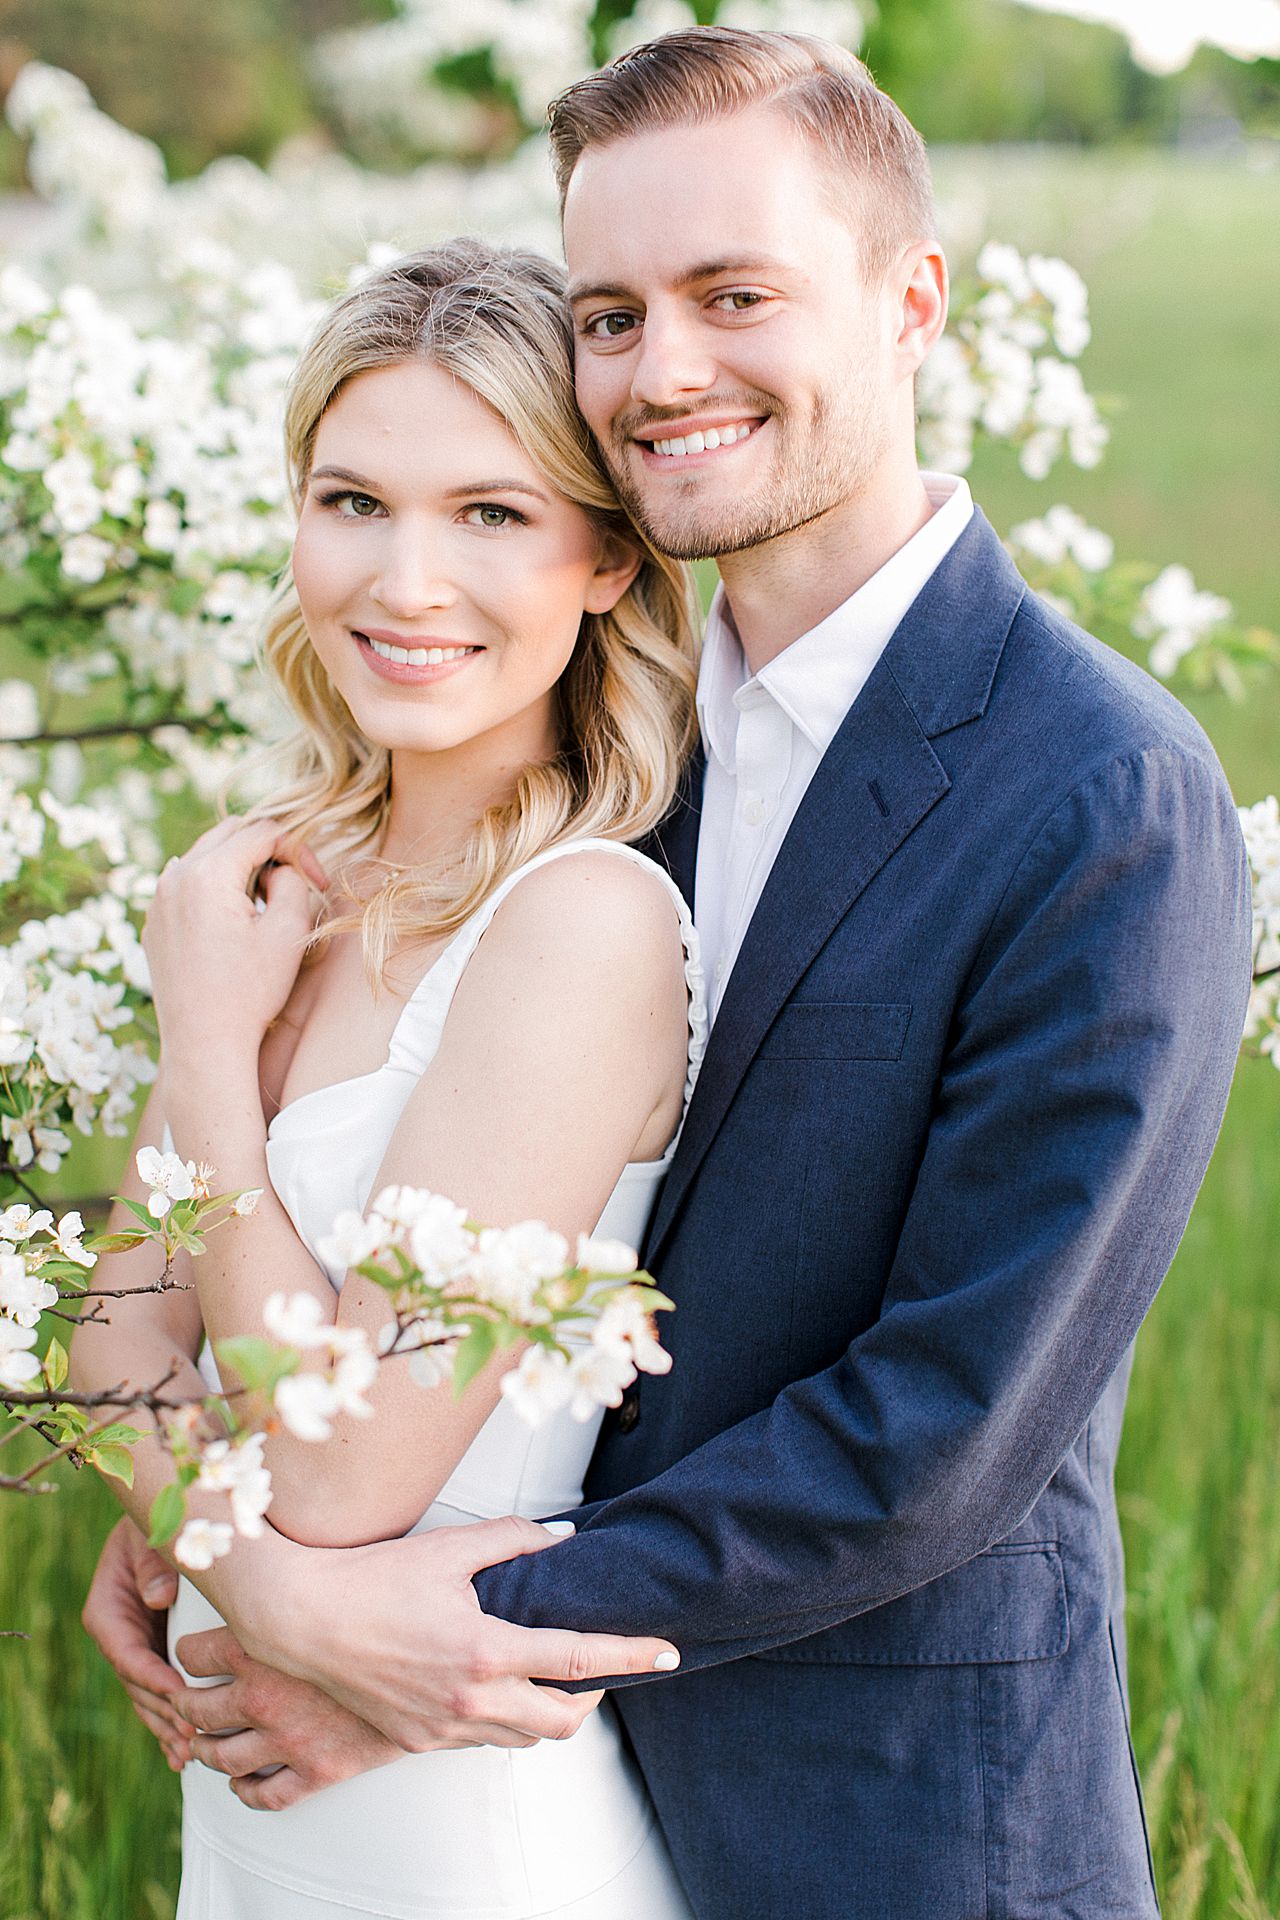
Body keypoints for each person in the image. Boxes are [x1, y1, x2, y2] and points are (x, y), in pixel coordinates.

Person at [83, 28, 1255, 1920]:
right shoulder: (612, 772)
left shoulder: (1102, 789)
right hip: (543, 1785)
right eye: (612, 314)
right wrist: (233, 1547)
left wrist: (369, 1625)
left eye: (736, 297)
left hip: (894, 1826)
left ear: (913, 302)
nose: (665, 368)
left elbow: (940, 1430)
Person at [71, 238, 705, 1918]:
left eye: (491, 514)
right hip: (264, 1827)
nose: (403, 581)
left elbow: (347, 1472)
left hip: (462, 1842)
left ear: (607, 568)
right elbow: (107, 1332)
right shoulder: (282, 884)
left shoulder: (581, 928)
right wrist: (254, 1574)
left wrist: (210, 1046)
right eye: (353, 500)